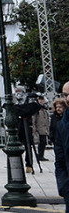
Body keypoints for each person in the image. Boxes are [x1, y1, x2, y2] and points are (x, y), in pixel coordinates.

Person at [54, 80, 69, 212]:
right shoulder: (62, 124)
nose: (67, 98)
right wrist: (64, 185)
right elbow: (60, 158)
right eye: (65, 95)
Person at [35, 94, 51, 161]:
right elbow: (34, 119)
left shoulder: (44, 109)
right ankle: (40, 155)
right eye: (40, 99)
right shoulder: (37, 109)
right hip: (39, 128)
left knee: (43, 142)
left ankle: (41, 155)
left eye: (42, 99)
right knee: (41, 142)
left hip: (44, 128)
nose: (41, 101)